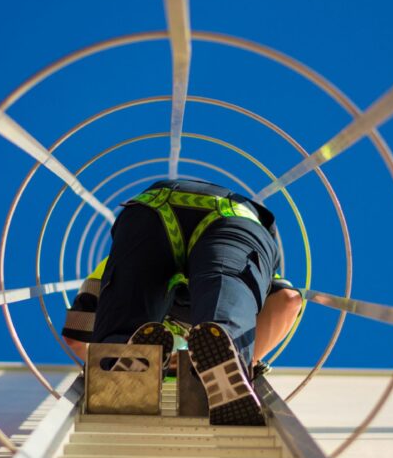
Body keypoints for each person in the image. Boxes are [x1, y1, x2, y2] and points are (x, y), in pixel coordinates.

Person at [60, 179, 301, 426]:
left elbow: (76, 333)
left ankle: (124, 358)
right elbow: (288, 299)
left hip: (152, 208)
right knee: (227, 295)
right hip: (235, 215)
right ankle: (228, 359)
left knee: (127, 315)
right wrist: (250, 362)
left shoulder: (103, 267)